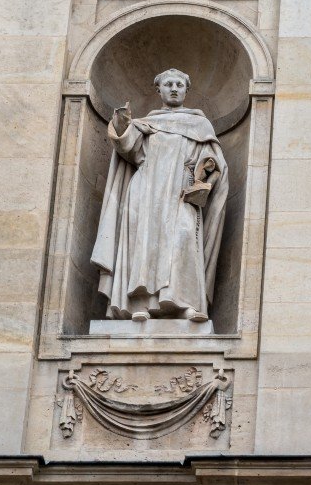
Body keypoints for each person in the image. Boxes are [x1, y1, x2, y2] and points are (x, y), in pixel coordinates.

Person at [92, 69, 228, 323]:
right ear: (159, 90)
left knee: (183, 240)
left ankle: (185, 304)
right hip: (147, 191)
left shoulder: (200, 125)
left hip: (181, 192)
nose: (174, 88)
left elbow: (214, 160)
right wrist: (122, 124)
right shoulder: (147, 124)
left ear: (187, 90)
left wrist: (207, 168)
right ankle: (138, 305)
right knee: (146, 244)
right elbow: (128, 148)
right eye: (168, 84)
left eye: (179, 85)